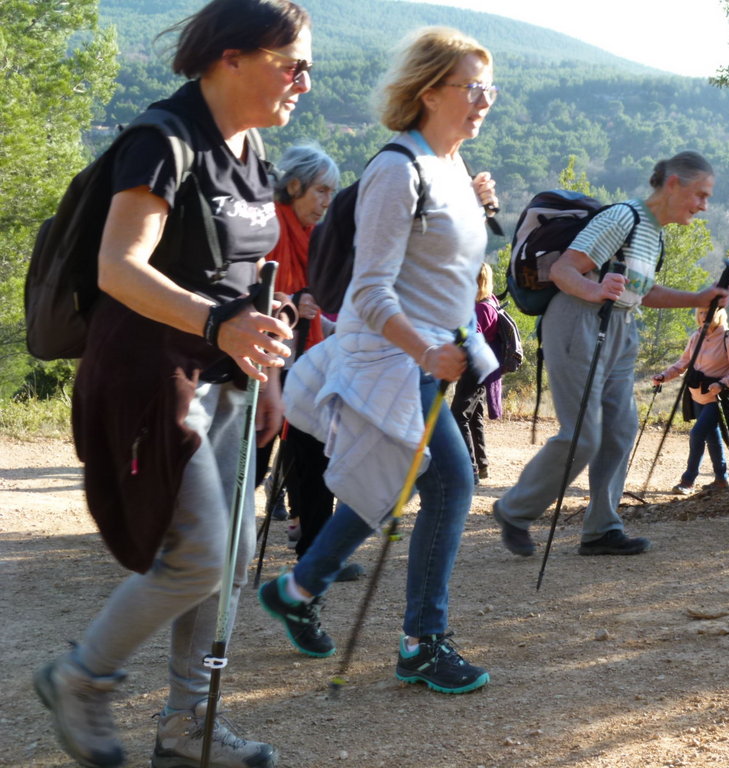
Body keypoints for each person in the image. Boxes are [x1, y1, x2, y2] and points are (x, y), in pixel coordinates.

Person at [32, 1, 311, 766]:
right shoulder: (164, 139)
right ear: (232, 57)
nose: (305, 83)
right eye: (294, 65)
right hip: (150, 378)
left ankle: (189, 728)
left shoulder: (250, 149)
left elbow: (253, 275)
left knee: (233, 551)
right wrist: (219, 325)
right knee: (197, 556)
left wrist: (272, 374)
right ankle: (80, 677)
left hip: (229, 379)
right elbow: (117, 265)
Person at [259, 26, 499, 695]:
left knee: (385, 487)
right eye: (470, 87)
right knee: (449, 483)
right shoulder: (399, 169)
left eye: (490, 87)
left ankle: (298, 589)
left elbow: (446, 276)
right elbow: (369, 289)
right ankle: (422, 642)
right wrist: (426, 348)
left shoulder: (451, 170)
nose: (484, 99)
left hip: (426, 357)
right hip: (390, 356)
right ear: (428, 91)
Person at [492, 151, 729, 557]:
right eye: (700, 194)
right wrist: (594, 291)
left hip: (620, 327)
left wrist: (700, 297)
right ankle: (514, 510)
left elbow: (641, 291)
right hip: (577, 320)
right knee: (582, 435)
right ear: (673, 183)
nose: (704, 205)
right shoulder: (622, 218)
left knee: (619, 431)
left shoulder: (653, 232)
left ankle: (601, 529)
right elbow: (566, 271)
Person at [261, 144, 362, 581]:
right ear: (294, 185)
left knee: (316, 454)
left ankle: (317, 556)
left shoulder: (313, 237)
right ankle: (218, 548)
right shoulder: (266, 226)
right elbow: (249, 281)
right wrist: (287, 302)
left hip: (307, 357)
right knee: (256, 454)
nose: (326, 201)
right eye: (321, 190)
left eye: (331, 192)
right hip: (263, 361)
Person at [653, 306, 729, 495]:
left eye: (709, 313)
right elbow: (682, 364)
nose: (704, 316)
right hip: (697, 395)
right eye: (701, 313)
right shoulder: (696, 336)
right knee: (712, 437)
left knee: (697, 434)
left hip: (718, 397)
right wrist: (663, 376)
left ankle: (688, 480)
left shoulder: (728, 339)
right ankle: (721, 481)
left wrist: (723, 384)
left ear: (718, 314)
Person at [451, 262, 503, 484]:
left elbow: (472, 338)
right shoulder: (491, 301)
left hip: (474, 369)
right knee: (474, 417)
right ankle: (482, 466)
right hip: (485, 370)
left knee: (458, 415)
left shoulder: (480, 308)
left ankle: (470, 469)